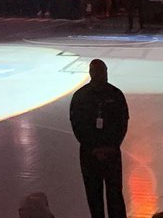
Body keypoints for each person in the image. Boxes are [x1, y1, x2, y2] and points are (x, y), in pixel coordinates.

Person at [69, 58, 129, 218]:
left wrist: (109, 147)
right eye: (100, 72)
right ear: (92, 74)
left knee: (113, 195)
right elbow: (78, 126)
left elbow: (122, 123)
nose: (103, 75)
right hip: (93, 154)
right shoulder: (81, 97)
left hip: (105, 152)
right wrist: (97, 148)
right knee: (95, 196)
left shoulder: (115, 95)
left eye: (104, 72)